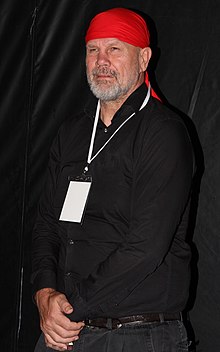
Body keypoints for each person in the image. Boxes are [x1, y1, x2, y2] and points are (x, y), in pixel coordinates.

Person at [32, 7, 195, 352]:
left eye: (115, 49)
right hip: (67, 330)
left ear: (143, 58)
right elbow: (46, 224)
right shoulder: (72, 132)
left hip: (137, 335)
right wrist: (45, 293)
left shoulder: (163, 133)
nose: (101, 60)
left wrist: (71, 309)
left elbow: (145, 248)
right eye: (93, 50)